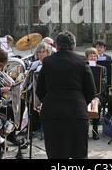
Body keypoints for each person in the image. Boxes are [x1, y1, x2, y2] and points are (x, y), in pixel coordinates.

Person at [36, 31, 96, 159]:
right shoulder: (82, 61)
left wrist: (49, 101)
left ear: (56, 47)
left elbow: (39, 91)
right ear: (73, 47)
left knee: (55, 154)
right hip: (76, 113)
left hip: (52, 113)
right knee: (79, 154)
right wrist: (80, 101)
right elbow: (91, 91)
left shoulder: (47, 62)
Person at [85, 47, 108, 140]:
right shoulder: (83, 68)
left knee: (95, 105)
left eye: (95, 56)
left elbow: (103, 84)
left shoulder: (102, 68)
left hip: (98, 95)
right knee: (83, 104)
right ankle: (85, 130)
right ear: (87, 57)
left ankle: (95, 129)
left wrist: (97, 97)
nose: (93, 58)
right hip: (85, 95)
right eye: (91, 56)